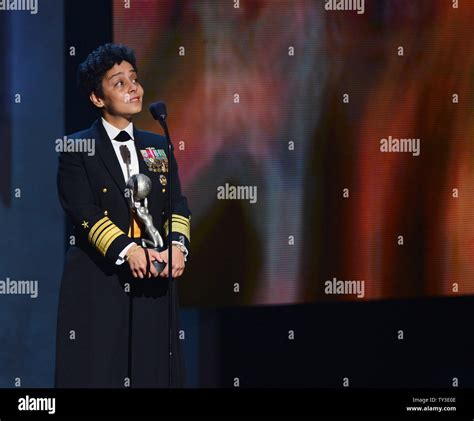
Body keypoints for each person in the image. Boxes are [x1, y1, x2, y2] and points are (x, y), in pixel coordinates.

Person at [55, 43, 191, 388]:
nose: (133, 88)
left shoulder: (157, 144)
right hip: (101, 282)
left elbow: (176, 204)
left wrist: (177, 246)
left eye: (135, 78)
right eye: (119, 83)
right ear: (97, 98)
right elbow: (83, 211)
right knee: (100, 371)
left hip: (154, 280)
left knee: (155, 371)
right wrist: (128, 251)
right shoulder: (76, 148)